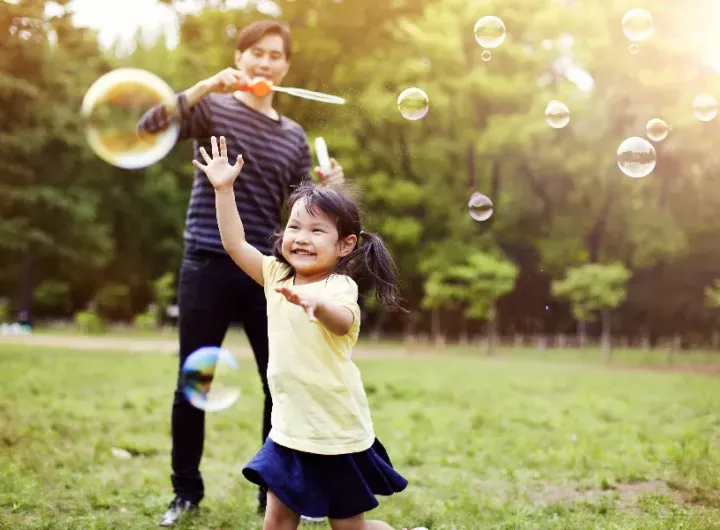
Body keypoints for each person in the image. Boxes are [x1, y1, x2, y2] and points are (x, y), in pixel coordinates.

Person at [137, 20, 344, 527]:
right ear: (240, 57)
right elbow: (148, 125)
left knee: (281, 384)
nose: (265, 62)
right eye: (256, 52)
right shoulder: (212, 108)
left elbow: (302, 213)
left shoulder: (293, 135)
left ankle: (274, 495)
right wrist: (206, 84)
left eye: (275, 55)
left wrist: (330, 188)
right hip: (206, 259)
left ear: (285, 66)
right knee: (194, 382)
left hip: (265, 272)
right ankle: (185, 493)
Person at [192, 135, 423, 530]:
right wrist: (224, 189)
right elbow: (234, 244)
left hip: (335, 429)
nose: (300, 236)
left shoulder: (338, 287)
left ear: (345, 245)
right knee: (277, 521)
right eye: (295, 226)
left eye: (317, 231)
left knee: (348, 527)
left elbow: (344, 321)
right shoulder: (275, 274)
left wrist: (318, 306)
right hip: (289, 427)